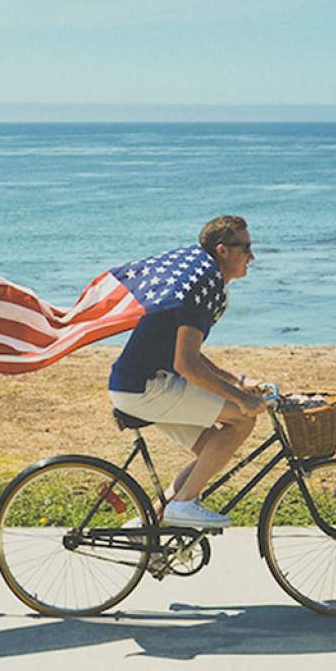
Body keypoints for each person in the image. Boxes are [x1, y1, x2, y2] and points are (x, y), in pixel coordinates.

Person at [107, 215, 267, 529]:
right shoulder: (201, 287)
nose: (252, 256)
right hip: (146, 387)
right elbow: (186, 366)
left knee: (212, 449)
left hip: (139, 385)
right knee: (243, 418)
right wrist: (240, 399)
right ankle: (183, 504)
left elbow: (190, 356)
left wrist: (239, 382)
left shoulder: (202, 280)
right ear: (223, 250)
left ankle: (150, 524)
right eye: (245, 247)